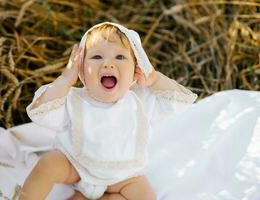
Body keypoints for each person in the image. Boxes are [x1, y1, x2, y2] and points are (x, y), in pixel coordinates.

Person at [19, 22, 198, 200]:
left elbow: (181, 102)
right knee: (49, 163)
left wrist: (154, 78)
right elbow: (41, 112)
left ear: (136, 68)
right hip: (77, 168)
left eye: (120, 57)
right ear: (81, 68)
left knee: (146, 196)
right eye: (97, 57)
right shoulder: (73, 99)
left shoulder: (141, 99)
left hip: (124, 176)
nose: (108, 64)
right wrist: (66, 79)